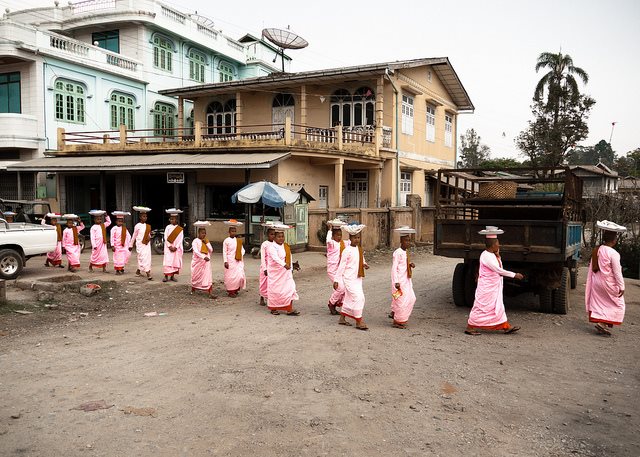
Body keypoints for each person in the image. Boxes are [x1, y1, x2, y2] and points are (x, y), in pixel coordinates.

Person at [465, 226, 524, 336]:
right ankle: (470, 326)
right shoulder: (487, 256)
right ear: (493, 245)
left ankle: (505, 326)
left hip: (492, 287)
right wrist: (514, 275)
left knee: (497, 306)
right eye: (497, 243)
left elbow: (498, 266)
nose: (499, 245)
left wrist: (498, 255)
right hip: (487, 287)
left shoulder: (491, 255)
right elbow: (498, 270)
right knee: (481, 307)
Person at [585, 220, 627, 336]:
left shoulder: (597, 250)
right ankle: (602, 324)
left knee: (601, 302)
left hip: (596, 282)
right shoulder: (614, 254)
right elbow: (617, 272)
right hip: (608, 283)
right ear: (614, 240)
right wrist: (621, 286)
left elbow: (592, 267)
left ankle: (601, 323)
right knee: (619, 304)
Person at [334, 224, 369, 330]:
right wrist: (336, 280)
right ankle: (359, 321)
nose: (357, 240)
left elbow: (361, 260)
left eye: (358, 237)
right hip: (348, 279)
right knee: (359, 297)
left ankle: (342, 318)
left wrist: (364, 264)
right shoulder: (347, 250)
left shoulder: (359, 249)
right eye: (354, 238)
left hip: (357, 278)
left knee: (349, 298)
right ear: (350, 238)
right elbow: (341, 266)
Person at [266, 224, 300, 315]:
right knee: (276, 291)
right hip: (276, 274)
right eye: (279, 237)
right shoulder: (271, 247)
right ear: (274, 238)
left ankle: (289, 309)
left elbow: (290, 258)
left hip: (286, 273)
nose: (281, 238)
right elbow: (275, 258)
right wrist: (284, 265)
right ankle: (273, 308)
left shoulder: (285, 246)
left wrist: (291, 268)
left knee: (290, 288)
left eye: (282, 236)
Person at [390, 226, 417, 329]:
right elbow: (394, 268)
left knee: (411, 298)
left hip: (406, 280)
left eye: (409, 240)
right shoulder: (397, 253)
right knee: (401, 300)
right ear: (401, 241)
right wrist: (396, 282)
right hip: (399, 281)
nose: (408, 242)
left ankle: (397, 314)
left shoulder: (405, 252)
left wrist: (410, 264)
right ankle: (397, 321)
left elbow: (403, 263)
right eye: (406, 240)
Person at [326, 219, 349, 315]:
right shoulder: (331, 244)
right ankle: (331, 303)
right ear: (333, 236)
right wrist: (330, 230)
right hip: (332, 270)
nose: (339, 237)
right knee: (340, 288)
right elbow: (328, 240)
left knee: (344, 287)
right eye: (337, 235)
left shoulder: (343, 243)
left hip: (341, 270)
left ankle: (336, 304)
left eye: (340, 235)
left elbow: (352, 242)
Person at [222, 220, 246, 297]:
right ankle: (230, 291)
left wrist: (240, 255)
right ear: (229, 232)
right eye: (232, 231)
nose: (233, 233)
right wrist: (225, 261)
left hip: (237, 261)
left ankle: (236, 289)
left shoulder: (238, 240)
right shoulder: (226, 241)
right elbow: (224, 252)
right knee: (230, 277)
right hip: (230, 261)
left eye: (235, 231)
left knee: (239, 276)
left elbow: (242, 250)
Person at [191, 221, 214, 298]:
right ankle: (194, 288)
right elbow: (196, 252)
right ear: (198, 233)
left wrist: (207, 243)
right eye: (202, 233)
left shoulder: (206, 240)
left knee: (207, 276)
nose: (203, 234)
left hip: (206, 261)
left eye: (205, 233)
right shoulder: (195, 241)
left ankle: (210, 292)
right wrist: (203, 257)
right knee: (195, 276)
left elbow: (211, 250)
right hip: (198, 261)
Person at [130, 206, 153, 280]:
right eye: (143, 216)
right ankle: (148, 273)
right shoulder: (137, 226)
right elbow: (134, 236)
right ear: (140, 217)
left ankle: (138, 271)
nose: (145, 218)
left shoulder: (148, 226)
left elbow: (148, 235)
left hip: (146, 244)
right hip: (140, 245)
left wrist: (150, 237)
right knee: (142, 258)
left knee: (146, 258)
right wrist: (131, 244)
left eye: (146, 216)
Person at [162, 208, 184, 283]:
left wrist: (176, 247)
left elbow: (180, 239)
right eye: (171, 219)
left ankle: (172, 276)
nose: (172, 220)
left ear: (177, 219)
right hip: (168, 248)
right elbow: (165, 237)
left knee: (174, 262)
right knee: (168, 261)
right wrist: (169, 246)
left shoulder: (180, 229)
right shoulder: (168, 227)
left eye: (173, 219)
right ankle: (166, 276)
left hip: (176, 248)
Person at [259, 223, 276, 306]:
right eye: (271, 234)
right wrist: (265, 268)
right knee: (264, 283)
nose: (273, 236)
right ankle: (262, 297)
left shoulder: (276, 244)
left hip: (273, 267)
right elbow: (262, 257)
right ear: (267, 235)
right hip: (265, 266)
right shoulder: (264, 244)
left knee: (272, 283)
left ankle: (271, 298)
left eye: (274, 234)